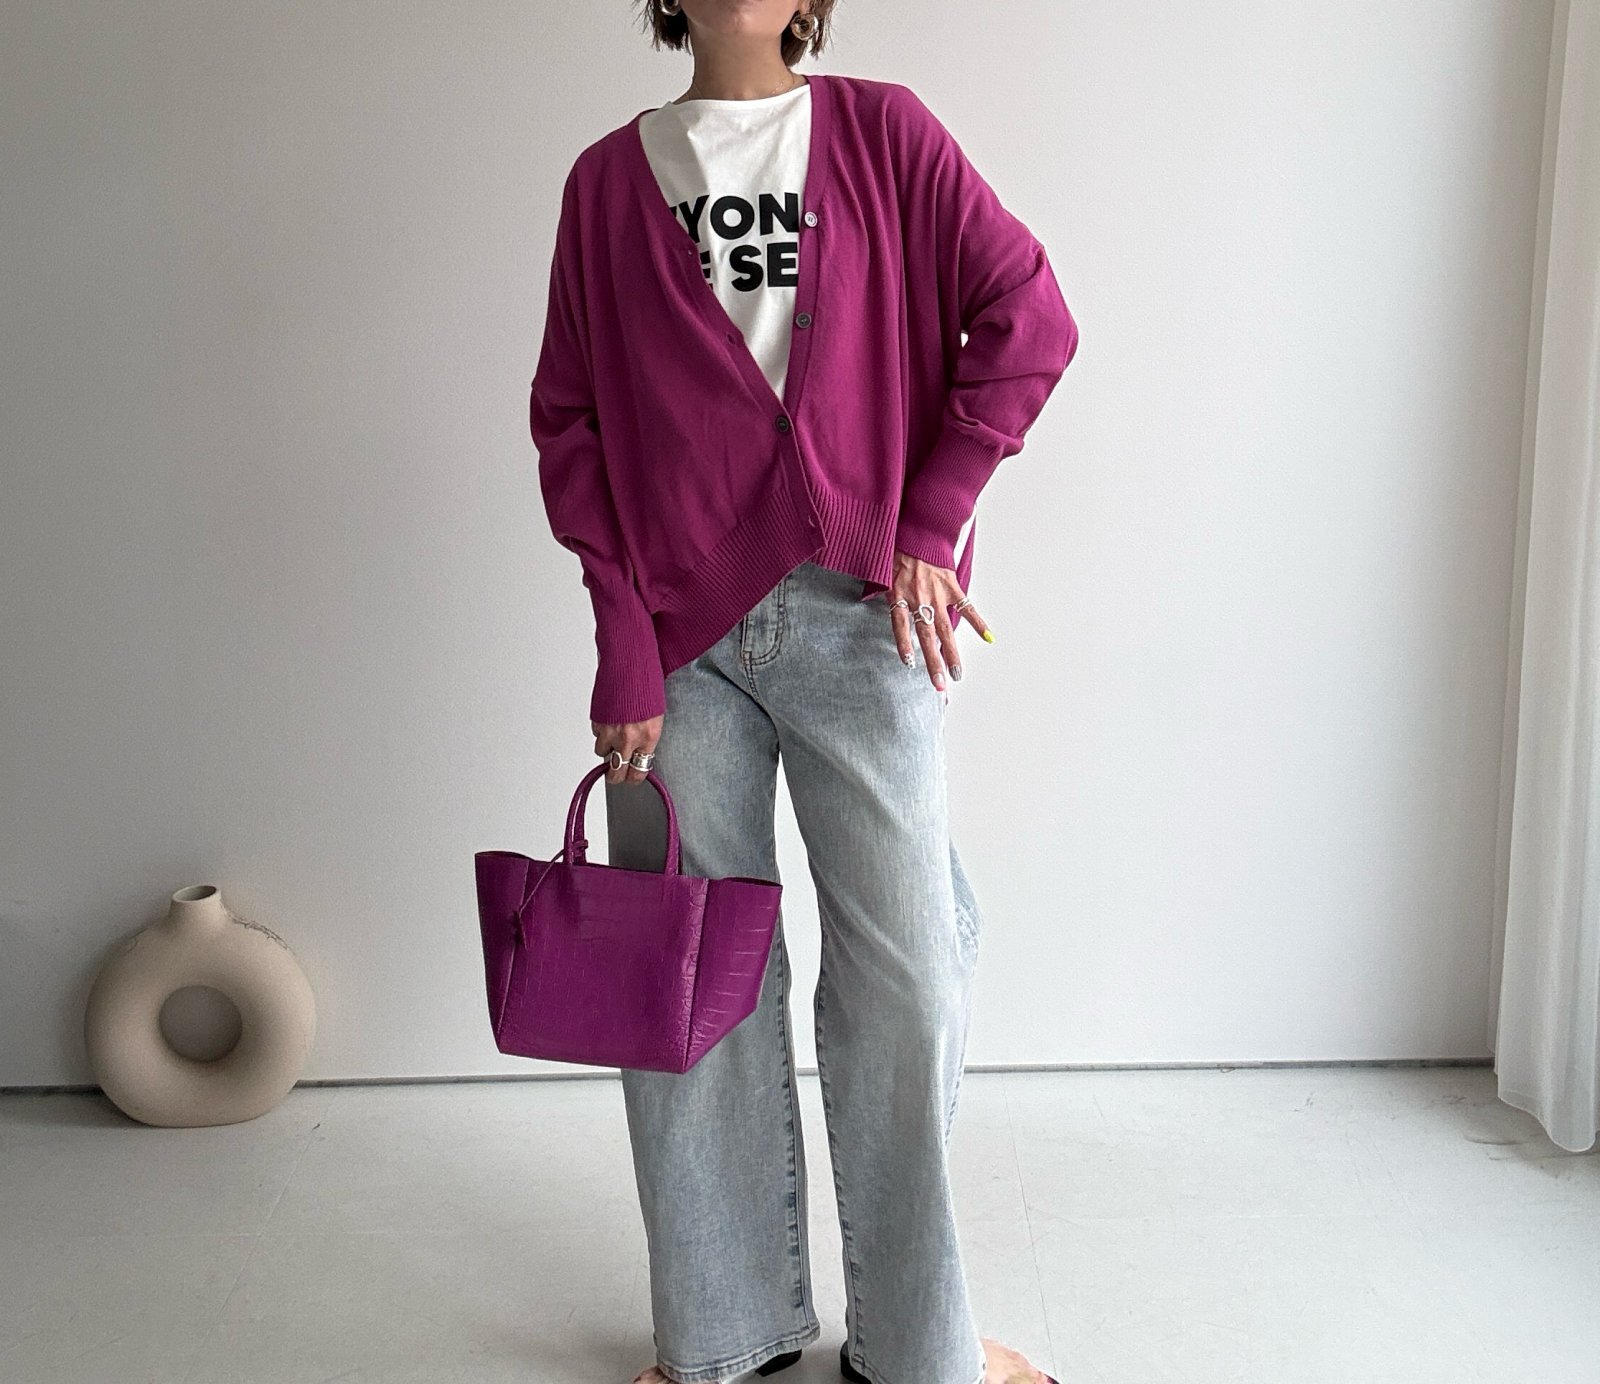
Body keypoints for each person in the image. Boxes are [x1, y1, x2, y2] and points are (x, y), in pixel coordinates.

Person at [527, 3, 1079, 1381]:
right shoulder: (606, 184)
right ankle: (720, 1335)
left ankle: (917, 1345)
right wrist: (622, 639)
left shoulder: (885, 135)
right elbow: (571, 423)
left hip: (867, 622)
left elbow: (1029, 318)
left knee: (909, 979)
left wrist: (932, 522)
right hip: (682, 646)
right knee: (692, 980)